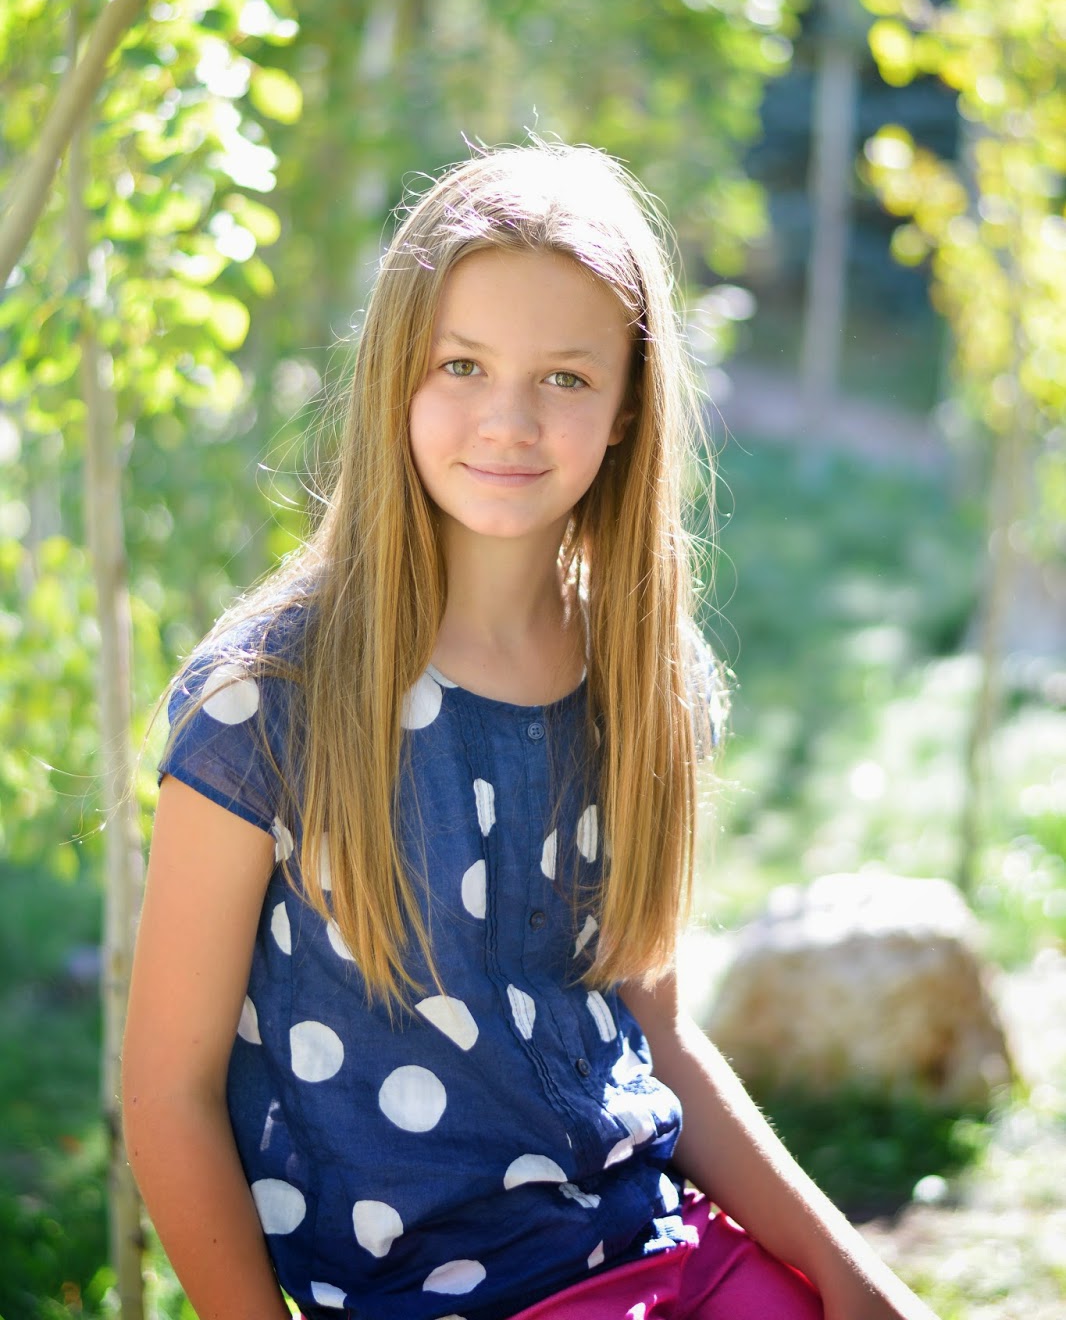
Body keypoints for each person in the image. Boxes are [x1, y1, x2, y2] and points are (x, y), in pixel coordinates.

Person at [123, 142, 937, 1320]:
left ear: (626, 406)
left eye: (564, 377)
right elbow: (169, 1093)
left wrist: (858, 1281)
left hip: (661, 1245)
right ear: (396, 377)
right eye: (461, 364)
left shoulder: (642, 675)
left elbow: (654, 1030)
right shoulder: (268, 697)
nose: (507, 419)